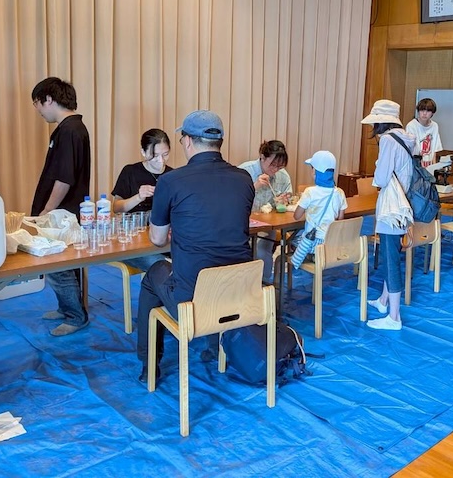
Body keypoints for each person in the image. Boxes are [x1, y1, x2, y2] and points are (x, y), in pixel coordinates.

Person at [138, 110, 254, 383]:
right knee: (217, 267)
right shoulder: (244, 178)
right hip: (240, 295)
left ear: (188, 141)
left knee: (154, 274)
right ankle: (214, 346)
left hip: (193, 302)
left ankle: (149, 364)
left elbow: (157, 239)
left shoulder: (170, 181)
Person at [31, 77, 91, 336]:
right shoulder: (71, 128)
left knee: (58, 264)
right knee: (64, 264)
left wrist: (47, 210)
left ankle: (76, 316)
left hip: (61, 211)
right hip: (64, 210)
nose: (38, 110)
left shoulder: (70, 130)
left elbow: (65, 178)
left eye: (37, 103)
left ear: (48, 99)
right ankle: (67, 308)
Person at [361, 99, 415, 331]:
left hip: (391, 208)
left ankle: (394, 317)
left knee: (390, 259)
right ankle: (384, 301)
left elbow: (381, 178)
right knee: (392, 253)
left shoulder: (387, 140)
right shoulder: (406, 138)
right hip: (402, 205)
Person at [111, 129, 174, 272]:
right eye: (155, 156)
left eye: (165, 154)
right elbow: (116, 207)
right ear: (143, 152)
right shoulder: (130, 172)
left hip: (163, 239)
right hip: (133, 242)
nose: (161, 160)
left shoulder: (172, 175)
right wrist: (138, 197)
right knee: (161, 266)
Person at [239, 140, 292, 279]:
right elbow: (233, 199)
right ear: (262, 157)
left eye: (279, 166)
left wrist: (285, 201)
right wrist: (254, 186)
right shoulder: (245, 171)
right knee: (240, 253)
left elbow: (288, 201)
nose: (275, 170)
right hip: (242, 224)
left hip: (267, 226)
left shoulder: (283, 176)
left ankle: (264, 284)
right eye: (273, 165)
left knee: (262, 250)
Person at [290, 151, 347, 270]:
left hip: (314, 242)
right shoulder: (339, 192)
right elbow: (340, 219)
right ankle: (320, 256)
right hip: (332, 242)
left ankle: (312, 256)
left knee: (292, 241)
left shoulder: (310, 192)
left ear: (315, 172)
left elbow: (297, 216)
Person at [405, 98, 443, 168]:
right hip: (415, 165)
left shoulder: (434, 126)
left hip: (429, 164)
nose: (424, 113)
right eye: (422, 110)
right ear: (418, 111)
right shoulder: (411, 125)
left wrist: (434, 168)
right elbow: (411, 149)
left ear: (433, 113)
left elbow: (434, 149)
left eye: (428, 111)